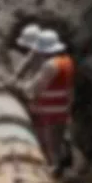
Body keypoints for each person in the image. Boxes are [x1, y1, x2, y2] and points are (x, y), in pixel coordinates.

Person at [24, 29, 76, 173]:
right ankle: (62, 163)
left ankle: (53, 168)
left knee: (50, 142)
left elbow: (37, 86)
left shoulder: (50, 65)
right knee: (59, 139)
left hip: (49, 110)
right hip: (63, 107)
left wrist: (23, 88)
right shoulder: (67, 61)